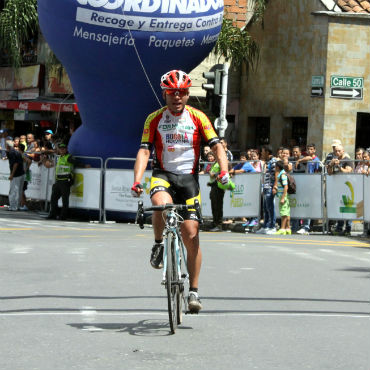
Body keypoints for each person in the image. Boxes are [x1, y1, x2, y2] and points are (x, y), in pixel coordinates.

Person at [131, 70, 229, 313]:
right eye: (172, 93)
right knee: (161, 205)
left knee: (191, 235)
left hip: (188, 180)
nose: (177, 97)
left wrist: (224, 170)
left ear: (187, 95)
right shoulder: (153, 119)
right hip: (163, 174)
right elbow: (144, 151)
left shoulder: (198, 117)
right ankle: (157, 244)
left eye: (182, 93)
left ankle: (194, 292)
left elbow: (218, 146)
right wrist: (137, 180)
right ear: (165, 94)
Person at [327, 144, 354, 235]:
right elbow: (330, 173)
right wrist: (330, 165)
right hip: (337, 187)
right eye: (336, 151)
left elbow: (348, 171)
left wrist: (339, 167)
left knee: (347, 208)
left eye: (339, 151)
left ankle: (348, 228)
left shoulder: (348, 160)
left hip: (347, 187)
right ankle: (339, 227)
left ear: (343, 151)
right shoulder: (335, 160)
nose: (337, 152)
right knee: (339, 208)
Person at [47, 143, 78, 220]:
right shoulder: (60, 157)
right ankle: (53, 214)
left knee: (65, 200)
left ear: (66, 149)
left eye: (63, 148)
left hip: (65, 181)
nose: (61, 150)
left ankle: (63, 216)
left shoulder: (69, 157)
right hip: (58, 181)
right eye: (60, 148)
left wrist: (85, 166)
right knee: (53, 198)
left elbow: (77, 163)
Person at [257, 145, 277, 234]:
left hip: (270, 187)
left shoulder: (273, 161)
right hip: (266, 187)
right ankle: (265, 226)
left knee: (270, 207)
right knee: (265, 208)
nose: (261, 153)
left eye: (263, 151)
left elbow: (276, 174)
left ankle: (272, 226)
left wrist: (275, 186)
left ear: (267, 152)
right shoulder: (267, 162)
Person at [5, 140, 25, 211]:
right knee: (19, 191)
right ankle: (17, 206)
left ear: (7, 146)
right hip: (21, 174)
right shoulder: (16, 152)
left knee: (13, 191)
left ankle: (13, 206)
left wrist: (12, 175)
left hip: (16, 175)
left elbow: (15, 164)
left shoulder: (12, 153)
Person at [273, 160, 291, 235]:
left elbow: (285, 187)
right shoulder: (281, 173)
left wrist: (283, 198)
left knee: (283, 213)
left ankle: (282, 228)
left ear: (277, 167)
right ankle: (288, 228)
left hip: (283, 196)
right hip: (282, 195)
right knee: (286, 212)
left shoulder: (282, 175)